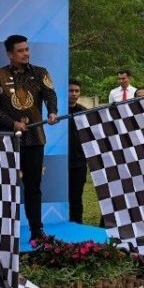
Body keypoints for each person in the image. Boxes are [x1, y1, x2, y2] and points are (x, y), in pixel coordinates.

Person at [0, 34, 57, 245]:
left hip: (34, 139)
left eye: (27, 49)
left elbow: (50, 95)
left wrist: (52, 112)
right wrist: (11, 123)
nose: (26, 53)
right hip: (7, 140)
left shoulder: (40, 72)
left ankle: (36, 231)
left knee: (33, 186)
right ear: (9, 54)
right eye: (20, 50)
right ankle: (2, 233)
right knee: (4, 187)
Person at [66, 79, 89, 224]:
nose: (74, 94)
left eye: (77, 91)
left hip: (79, 162)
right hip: (60, 162)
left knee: (76, 197)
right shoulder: (56, 113)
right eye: (71, 91)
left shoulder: (84, 112)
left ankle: (77, 224)